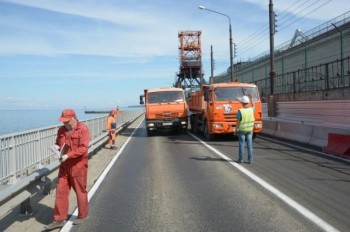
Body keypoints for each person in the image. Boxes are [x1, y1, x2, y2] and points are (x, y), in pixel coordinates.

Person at [44, 109, 91, 230]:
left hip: (78, 166)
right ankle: (59, 219)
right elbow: (59, 143)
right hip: (64, 166)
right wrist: (56, 146)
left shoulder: (83, 129)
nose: (64, 123)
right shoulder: (61, 130)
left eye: (66, 121)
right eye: (63, 121)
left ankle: (83, 215)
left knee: (80, 190)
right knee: (61, 191)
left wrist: (68, 155)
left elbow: (83, 148)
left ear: (74, 118)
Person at [234, 94, 255, 164]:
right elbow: (254, 106)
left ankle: (241, 159)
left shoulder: (240, 111)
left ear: (242, 103)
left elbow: (238, 122)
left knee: (241, 144)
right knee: (249, 145)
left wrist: (235, 130)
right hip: (250, 130)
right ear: (248, 102)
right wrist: (251, 98)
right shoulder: (251, 110)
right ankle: (250, 160)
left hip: (242, 130)